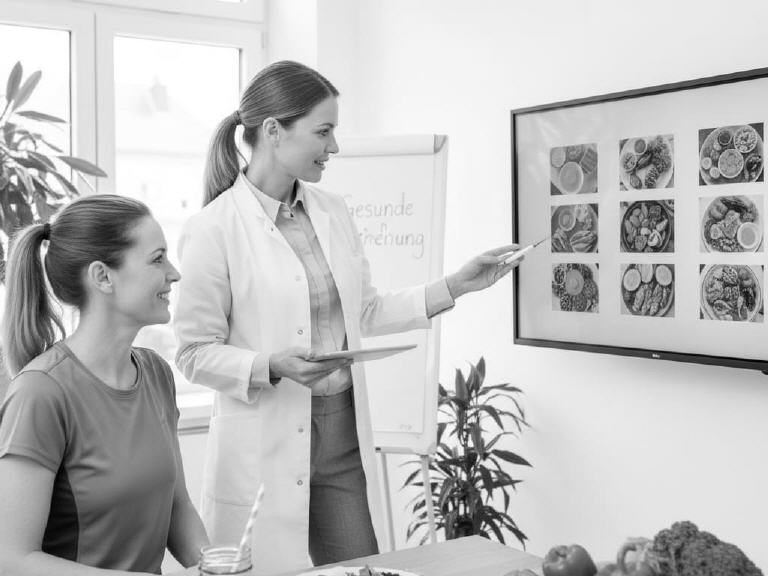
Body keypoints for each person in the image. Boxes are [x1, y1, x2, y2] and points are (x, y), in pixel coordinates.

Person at [173, 60, 521, 575]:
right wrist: (271, 364)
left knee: (361, 568)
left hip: (341, 435)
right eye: (323, 131)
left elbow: (366, 311)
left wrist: (456, 285)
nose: (333, 146)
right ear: (273, 130)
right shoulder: (214, 228)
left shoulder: (332, 210)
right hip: (265, 441)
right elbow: (193, 352)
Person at [0, 195, 209, 575]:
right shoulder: (41, 393)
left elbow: (178, 509)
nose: (174, 273)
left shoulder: (156, 373)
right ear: (102, 277)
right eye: (157, 259)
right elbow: (12, 559)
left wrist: (214, 566)